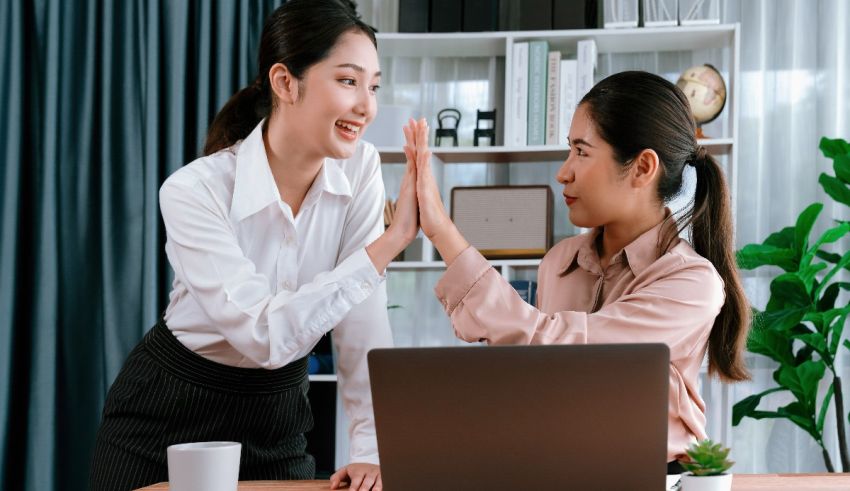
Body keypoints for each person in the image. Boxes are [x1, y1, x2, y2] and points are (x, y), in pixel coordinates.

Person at [90, 1, 420, 489]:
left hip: (276, 416)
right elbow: (262, 335)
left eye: (373, 86)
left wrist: (371, 449)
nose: (367, 106)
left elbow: (362, 321)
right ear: (285, 82)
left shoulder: (361, 167)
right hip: (167, 412)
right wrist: (387, 246)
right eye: (348, 81)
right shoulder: (192, 190)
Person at [408, 70, 750, 472]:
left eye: (581, 152)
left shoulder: (692, 283)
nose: (562, 172)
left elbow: (568, 354)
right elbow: (538, 383)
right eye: (568, 150)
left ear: (642, 168)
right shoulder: (559, 261)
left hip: (653, 476)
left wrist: (441, 231)